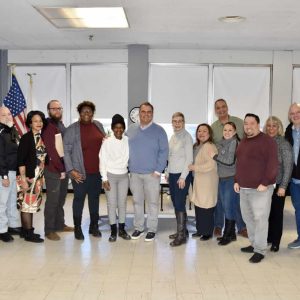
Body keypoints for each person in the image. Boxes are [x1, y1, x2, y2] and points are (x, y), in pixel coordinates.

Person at [234, 113, 278, 263]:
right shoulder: (244, 142)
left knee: (260, 219)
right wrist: (236, 180)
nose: (248, 126)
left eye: (251, 123)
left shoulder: (268, 141)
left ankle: (260, 250)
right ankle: (254, 244)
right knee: (248, 218)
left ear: (258, 124)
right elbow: (239, 163)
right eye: (246, 123)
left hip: (261, 189)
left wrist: (265, 182)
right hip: (244, 188)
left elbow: (273, 165)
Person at [63, 101, 105, 240]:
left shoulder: (98, 125)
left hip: (97, 172)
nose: (86, 113)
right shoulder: (72, 129)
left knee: (95, 199)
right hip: (79, 173)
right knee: (79, 200)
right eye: (83, 111)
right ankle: (78, 228)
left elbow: (104, 145)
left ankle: (94, 226)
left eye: (89, 111)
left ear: (93, 113)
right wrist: (71, 170)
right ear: (79, 113)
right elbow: (66, 152)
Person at [127, 102, 168, 242]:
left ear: (152, 113)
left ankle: (152, 229)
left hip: (152, 174)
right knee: (137, 202)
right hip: (134, 174)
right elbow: (122, 147)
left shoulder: (159, 131)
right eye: (143, 111)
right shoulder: (131, 129)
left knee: (152, 203)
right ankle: (138, 227)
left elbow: (164, 152)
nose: (145, 114)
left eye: (149, 112)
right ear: (139, 114)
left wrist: (158, 171)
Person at [211, 99, 246, 238]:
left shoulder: (238, 122)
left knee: (235, 200)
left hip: (235, 171)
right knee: (219, 200)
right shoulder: (213, 127)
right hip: (218, 171)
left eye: (223, 107)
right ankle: (218, 226)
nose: (221, 110)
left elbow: (245, 142)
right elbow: (214, 147)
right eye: (218, 108)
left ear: (227, 107)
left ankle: (241, 227)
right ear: (215, 111)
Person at [41, 100, 73, 241]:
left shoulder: (60, 124)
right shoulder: (48, 126)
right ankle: (49, 230)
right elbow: (52, 150)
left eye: (59, 108)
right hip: (53, 169)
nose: (57, 111)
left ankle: (59, 224)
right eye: (54, 109)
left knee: (61, 199)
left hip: (63, 168)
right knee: (53, 201)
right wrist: (60, 168)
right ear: (48, 110)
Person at [99, 114, 131, 242]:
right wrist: (104, 178)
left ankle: (122, 229)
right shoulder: (107, 142)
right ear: (112, 128)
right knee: (111, 204)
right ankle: (113, 231)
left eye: (121, 127)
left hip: (124, 176)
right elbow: (102, 161)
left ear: (124, 128)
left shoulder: (127, 140)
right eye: (116, 127)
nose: (119, 130)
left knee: (122, 204)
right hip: (110, 176)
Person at [263, 116, 293, 252]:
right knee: (265, 214)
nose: (271, 128)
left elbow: (288, 167)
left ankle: (275, 242)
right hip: (263, 186)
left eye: (274, 126)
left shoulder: (284, 144)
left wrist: (283, 186)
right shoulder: (263, 142)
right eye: (268, 126)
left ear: (279, 128)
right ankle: (267, 238)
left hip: (278, 186)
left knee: (276, 215)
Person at [17, 110, 47, 243]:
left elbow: (39, 157)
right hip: (28, 178)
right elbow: (21, 161)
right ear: (30, 123)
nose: (39, 123)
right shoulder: (26, 138)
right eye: (35, 121)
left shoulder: (40, 137)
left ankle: (25, 231)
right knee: (27, 205)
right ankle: (29, 233)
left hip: (37, 179)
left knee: (31, 205)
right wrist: (23, 180)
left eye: (40, 121)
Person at [210, 122, 240, 246]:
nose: (227, 132)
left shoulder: (234, 142)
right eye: (225, 130)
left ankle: (227, 235)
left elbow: (229, 161)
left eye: (230, 130)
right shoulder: (222, 143)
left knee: (228, 207)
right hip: (222, 179)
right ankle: (231, 233)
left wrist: (215, 156)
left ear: (234, 132)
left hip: (230, 179)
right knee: (227, 206)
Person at [167, 112, 193, 247]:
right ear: (172, 123)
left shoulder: (187, 138)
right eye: (174, 121)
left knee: (179, 203)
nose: (177, 124)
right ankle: (183, 231)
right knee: (175, 202)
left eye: (180, 121)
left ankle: (181, 236)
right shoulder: (173, 137)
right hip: (172, 174)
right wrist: (167, 172)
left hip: (181, 176)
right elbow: (170, 157)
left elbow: (189, 159)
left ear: (184, 122)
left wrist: (183, 177)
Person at [189, 124, 218, 241]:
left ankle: (207, 232)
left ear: (209, 133)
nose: (201, 133)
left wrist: (195, 167)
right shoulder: (196, 146)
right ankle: (200, 230)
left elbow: (211, 164)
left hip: (207, 181)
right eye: (199, 131)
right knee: (199, 206)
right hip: (198, 180)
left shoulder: (210, 146)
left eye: (204, 131)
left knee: (206, 207)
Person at [0, 107, 21, 242]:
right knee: (2, 203)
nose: (8, 116)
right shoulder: (1, 132)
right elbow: (0, 156)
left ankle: (12, 225)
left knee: (12, 201)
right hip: (4, 173)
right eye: (3, 115)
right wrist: (4, 176)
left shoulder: (12, 131)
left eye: (9, 114)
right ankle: (1, 230)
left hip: (13, 171)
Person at [285, 103, 300, 249]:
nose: (295, 115)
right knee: (298, 209)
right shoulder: (288, 131)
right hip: (295, 180)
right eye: (292, 113)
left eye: (298, 112)